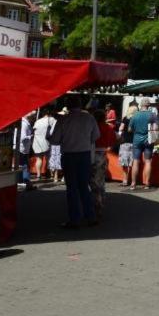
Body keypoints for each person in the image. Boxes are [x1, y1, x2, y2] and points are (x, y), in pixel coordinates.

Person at [50, 96, 100, 229]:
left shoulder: (63, 120)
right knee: (84, 186)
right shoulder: (89, 118)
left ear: (67, 105)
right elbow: (96, 136)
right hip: (84, 155)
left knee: (72, 188)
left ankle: (75, 219)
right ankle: (91, 216)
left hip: (69, 155)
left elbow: (54, 140)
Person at [90, 107, 116, 219]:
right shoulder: (109, 128)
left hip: (92, 154)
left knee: (92, 181)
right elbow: (116, 139)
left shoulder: (92, 127)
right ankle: (100, 203)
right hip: (103, 154)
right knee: (101, 181)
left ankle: (96, 204)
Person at [127, 99, 155, 191]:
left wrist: (136, 129)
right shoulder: (152, 115)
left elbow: (129, 130)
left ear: (141, 105)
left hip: (137, 140)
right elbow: (156, 128)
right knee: (148, 161)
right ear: (149, 106)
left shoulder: (135, 115)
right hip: (148, 140)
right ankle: (147, 184)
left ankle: (133, 184)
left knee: (136, 161)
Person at [117, 101, 138, 185]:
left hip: (125, 141)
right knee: (132, 162)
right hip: (134, 141)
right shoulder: (137, 119)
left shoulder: (125, 118)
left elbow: (121, 128)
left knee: (125, 162)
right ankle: (132, 181)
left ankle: (125, 180)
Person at [32, 108, 55, 180]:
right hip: (46, 141)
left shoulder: (38, 121)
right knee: (49, 158)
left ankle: (38, 175)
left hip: (37, 142)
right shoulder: (52, 119)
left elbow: (34, 130)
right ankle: (51, 174)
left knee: (39, 159)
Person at [18, 112, 35, 187]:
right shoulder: (24, 124)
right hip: (22, 148)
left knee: (24, 165)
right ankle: (26, 182)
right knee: (24, 166)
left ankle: (25, 182)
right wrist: (31, 136)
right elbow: (22, 137)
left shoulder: (25, 123)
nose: (32, 117)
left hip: (23, 148)